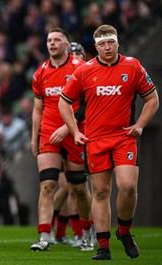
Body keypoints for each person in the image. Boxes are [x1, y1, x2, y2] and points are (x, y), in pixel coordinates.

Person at [59, 24, 159, 260]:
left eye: (111, 42)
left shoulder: (132, 66)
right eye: (102, 44)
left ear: (117, 43)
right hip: (95, 139)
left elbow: (152, 99)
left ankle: (124, 232)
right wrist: (74, 131)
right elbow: (64, 102)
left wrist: (140, 125)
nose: (107, 47)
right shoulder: (84, 71)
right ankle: (103, 246)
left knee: (128, 186)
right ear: (96, 47)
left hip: (124, 137)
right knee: (101, 192)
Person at [29, 28, 93, 252]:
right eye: (49, 40)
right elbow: (38, 108)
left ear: (67, 45)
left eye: (57, 40)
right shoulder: (40, 72)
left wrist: (68, 127)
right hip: (48, 133)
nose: (52, 43)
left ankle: (86, 232)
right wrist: (34, 137)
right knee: (47, 185)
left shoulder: (81, 69)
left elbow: (87, 105)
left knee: (79, 188)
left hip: (75, 133)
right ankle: (44, 236)